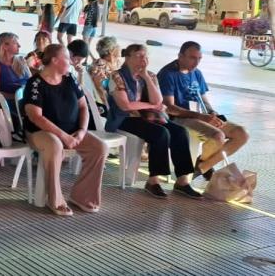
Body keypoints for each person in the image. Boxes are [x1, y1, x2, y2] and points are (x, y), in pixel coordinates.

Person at [106, 44, 201, 199]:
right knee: (160, 133)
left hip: (149, 117)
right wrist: (151, 105)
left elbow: (158, 100)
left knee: (179, 132)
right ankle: (153, 181)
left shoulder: (151, 76)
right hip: (125, 119)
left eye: (145, 56)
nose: (142, 59)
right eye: (138, 55)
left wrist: (145, 77)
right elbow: (126, 105)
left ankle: (182, 181)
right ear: (127, 58)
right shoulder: (117, 76)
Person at [23, 45, 107, 216]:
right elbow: (36, 117)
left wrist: (82, 131)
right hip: (40, 133)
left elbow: (83, 106)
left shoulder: (70, 79)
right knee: (55, 145)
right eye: (67, 58)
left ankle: (82, 196)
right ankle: (55, 200)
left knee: (99, 148)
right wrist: (64, 137)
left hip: (72, 131)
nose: (70, 62)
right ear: (55, 60)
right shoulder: (35, 83)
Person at [157, 41, 250, 181]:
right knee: (217, 136)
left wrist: (212, 113)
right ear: (180, 56)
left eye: (199, 58)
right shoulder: (168, 74)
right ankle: (204, 168)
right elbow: (169, 107)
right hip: (179, 118)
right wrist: (201, 116)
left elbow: (204, 100)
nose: (196, 62)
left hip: (201, 115)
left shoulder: (196, 73)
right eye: (192, 58)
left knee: (241, 134)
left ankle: (202, 166)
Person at [0, 32, 31, 113]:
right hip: (8, 104)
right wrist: (14, 96)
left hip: (27, 99)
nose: (19, 45)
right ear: (5, 46)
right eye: (15, 43)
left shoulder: (21, 61)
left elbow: (31, 81)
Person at [89, 36, 121, 104]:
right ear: (111, 51)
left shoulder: (116, 63)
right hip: (107, 103)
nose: (119, 47)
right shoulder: (100, 65)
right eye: (117, 46)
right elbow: (99, 90)